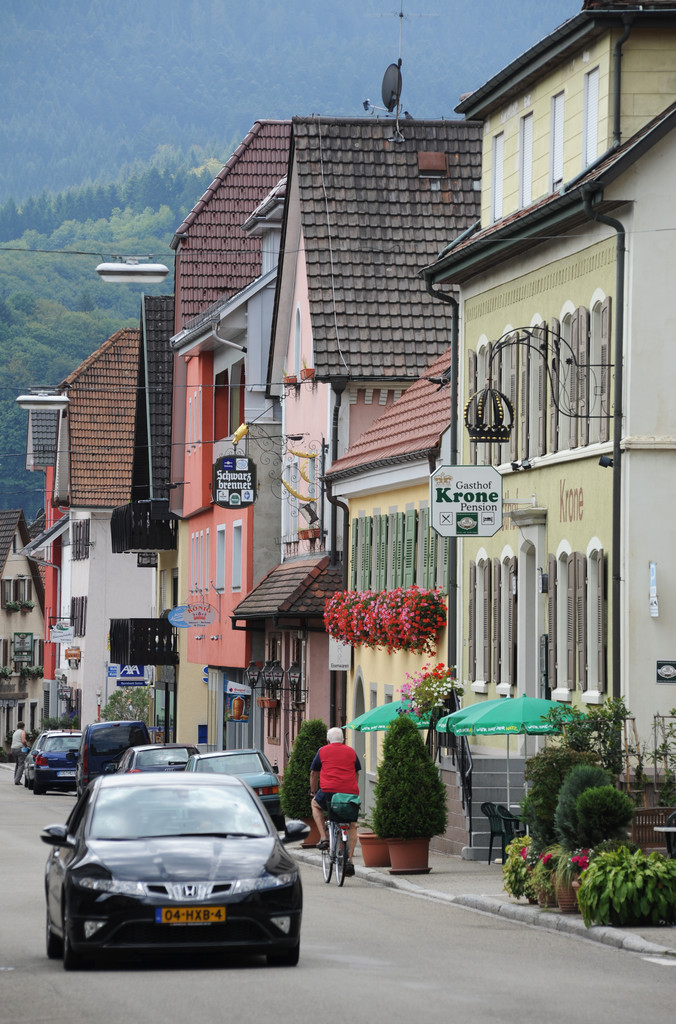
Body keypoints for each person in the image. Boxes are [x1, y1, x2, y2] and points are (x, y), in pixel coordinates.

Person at [310, 726, 361, 876]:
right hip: (349, 793)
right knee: (352, 824)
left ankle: (324, 838)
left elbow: (313, 773)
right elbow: (357, 772)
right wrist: (352, 789)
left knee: (315, 804)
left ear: (328, 740)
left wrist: (314, 792)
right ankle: (349, 861)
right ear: (343, 740)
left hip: (328, 793)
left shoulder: (322, 751)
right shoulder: (351, 751)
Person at [10, 721, 28, 786]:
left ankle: (16, 778)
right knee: (21, 764)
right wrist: (26, 745)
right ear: (23, 727)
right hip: (20, 749)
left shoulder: (15, 732)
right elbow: (23, 741)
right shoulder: (22, 732)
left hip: (13, 749)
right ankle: (17, 780)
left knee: (17, 764)